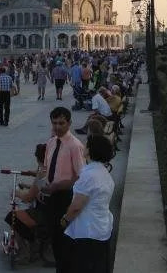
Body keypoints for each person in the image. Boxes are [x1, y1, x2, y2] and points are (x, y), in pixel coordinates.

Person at [59, 135, 115, 273]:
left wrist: (65, 219)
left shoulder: (89, 175)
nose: (84, 147)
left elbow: (77, 206)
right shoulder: (104, 174)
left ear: (90, 150)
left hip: (87, 232)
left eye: (87, 145)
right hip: (102, 229)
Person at [42, 107, 86, 271]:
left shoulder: (75, 146)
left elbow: (81, 177)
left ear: (69, 123)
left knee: (65, 243)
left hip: (66, 197)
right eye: (54, 123)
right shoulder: (51, 143)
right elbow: (47, 168)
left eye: (61, 123)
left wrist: (59, 185)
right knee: (55, 239)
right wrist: (41, 186)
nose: (58, 127)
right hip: (51, 197)